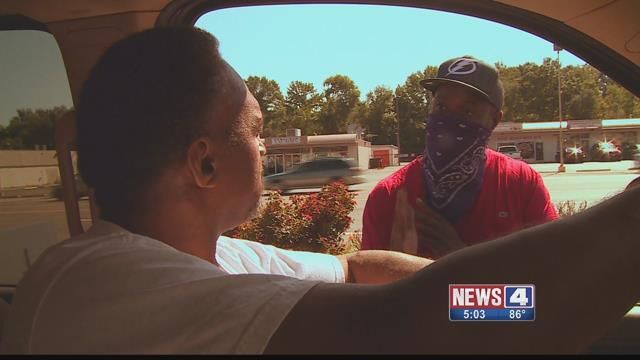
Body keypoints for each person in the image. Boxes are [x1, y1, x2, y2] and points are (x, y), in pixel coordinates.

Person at [3, 27, 640, 354]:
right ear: (203, 165)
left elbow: (356, 267)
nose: (267, 144)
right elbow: (404, 326)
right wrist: (523, 305)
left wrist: (506, 302)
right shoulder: (106, 286)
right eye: (255, 131)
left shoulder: (221, 259)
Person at [362, 56, 559, 259]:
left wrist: (459, 259)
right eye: (441, 108)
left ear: (494, 120)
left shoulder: (521, 185)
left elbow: (549, 281)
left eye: (467, 111)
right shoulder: (387, 196)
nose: (449, 122)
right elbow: (371, 286)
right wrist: (392, 269)